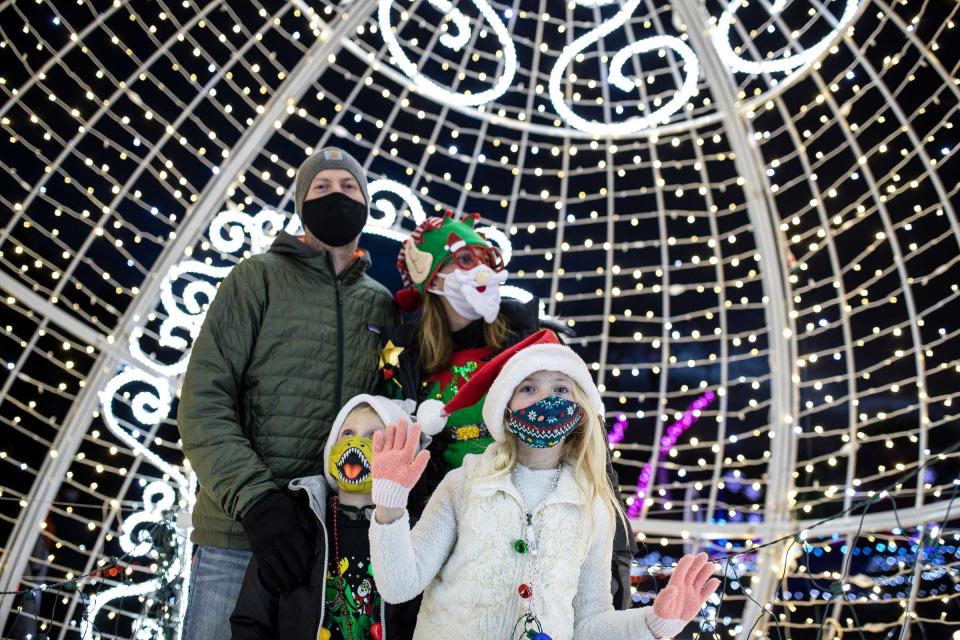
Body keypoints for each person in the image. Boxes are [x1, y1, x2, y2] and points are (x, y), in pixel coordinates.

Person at [367, 330, 720, 639]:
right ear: (506, 407)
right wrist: (390, 504)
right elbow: (399, 585)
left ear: (580, 409)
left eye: (561, 388)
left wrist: (654, 623)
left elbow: (589, 624)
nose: (544, 399)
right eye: (528, 387)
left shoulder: (592, 507)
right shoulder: (462, 486)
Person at [177, 147, 396, 640]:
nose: (335, 196)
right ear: (301, 204)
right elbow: (203, 402)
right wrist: (257, 502)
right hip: (237, 532)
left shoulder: (379, 303)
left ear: (365, 203)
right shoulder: (257, 278)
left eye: (348, 187)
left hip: (328, 537)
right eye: (321, 188)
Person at [230, 394, 425, 640]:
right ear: (332, 449)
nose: (355, 444)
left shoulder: (415, 534)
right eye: (347, 433)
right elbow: (252, 619)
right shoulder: (299, 524)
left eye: (373, 436)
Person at [381, 210, 538, 473]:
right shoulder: (403, 354)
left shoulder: (524, 337)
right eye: (465, 259)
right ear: (432, 277)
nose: (482, 271)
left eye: (486, 260)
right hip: (439, 500)